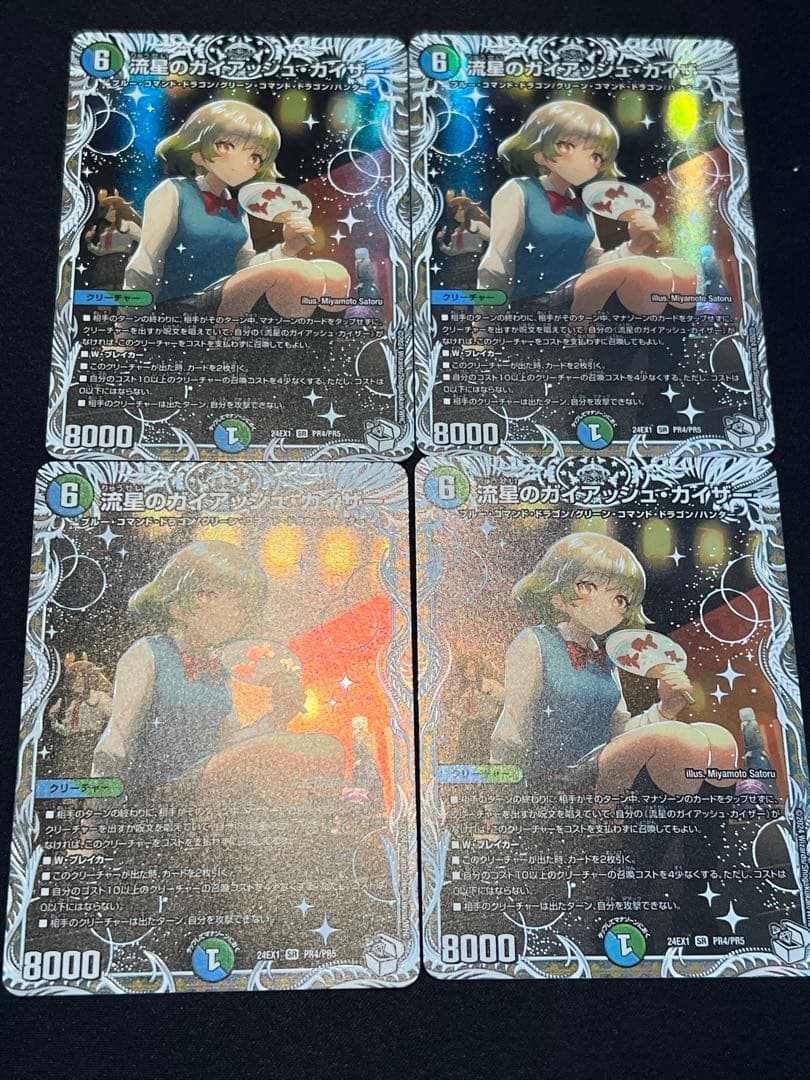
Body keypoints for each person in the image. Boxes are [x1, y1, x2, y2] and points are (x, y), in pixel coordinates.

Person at [490, 532, 739, 795]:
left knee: (718, 740)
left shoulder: (606, 659)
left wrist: (666, 708)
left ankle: (710, 818)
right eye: (586, 585)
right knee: (683, 740)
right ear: (561, 591)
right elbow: (512, 727)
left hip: (601, 768)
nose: (614, 606)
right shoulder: (534, 642)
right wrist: (502, 798)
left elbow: (619, 732)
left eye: (623, 600)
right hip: (552, 779)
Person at [123, 99, 350, 318]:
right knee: (303, 274)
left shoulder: (236, 209)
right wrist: (128, 326)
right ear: (198, 154)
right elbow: (146, 263)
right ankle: (220, 340)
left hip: (226, 300)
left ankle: (315, 343)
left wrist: (289, 247)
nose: (246, 162)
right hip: (179, 305)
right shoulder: (173, 192)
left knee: (334, 274)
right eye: (227, 145)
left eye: (256, 156)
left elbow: (246, 267)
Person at [477, 100, 696, 315]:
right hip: (530, 305)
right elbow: (496, 262)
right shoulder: (518, 191)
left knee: (681, 272)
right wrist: (483, 324)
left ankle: (665, 340)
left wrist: (636, 245)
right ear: (542, 154)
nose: (594, 162)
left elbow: (594, 265)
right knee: (648, 271)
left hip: (578, 298)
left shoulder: (582, 208)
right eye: (567, 145)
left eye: (598, 156)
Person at [92, 541, 267, 791]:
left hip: (201, 800)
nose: (242, 615)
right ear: (197, 598)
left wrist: (277, 717)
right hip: (151, 796)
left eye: (246, 607)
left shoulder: (219, 670)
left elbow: (229, 745)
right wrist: (97, 809)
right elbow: (115, 742)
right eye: (237, 605)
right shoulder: (148, 654)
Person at [83, 189, 142, 290]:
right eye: (106, 212)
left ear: (117, 210)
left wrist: (134, 258)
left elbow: (144, 240)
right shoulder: (106, 230)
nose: (107, 215)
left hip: (121, 262)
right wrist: (88, 242)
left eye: (110, 210)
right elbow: (100, 251)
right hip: (104, 265)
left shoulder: (128, 225)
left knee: (122, 289)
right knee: (103, 290)